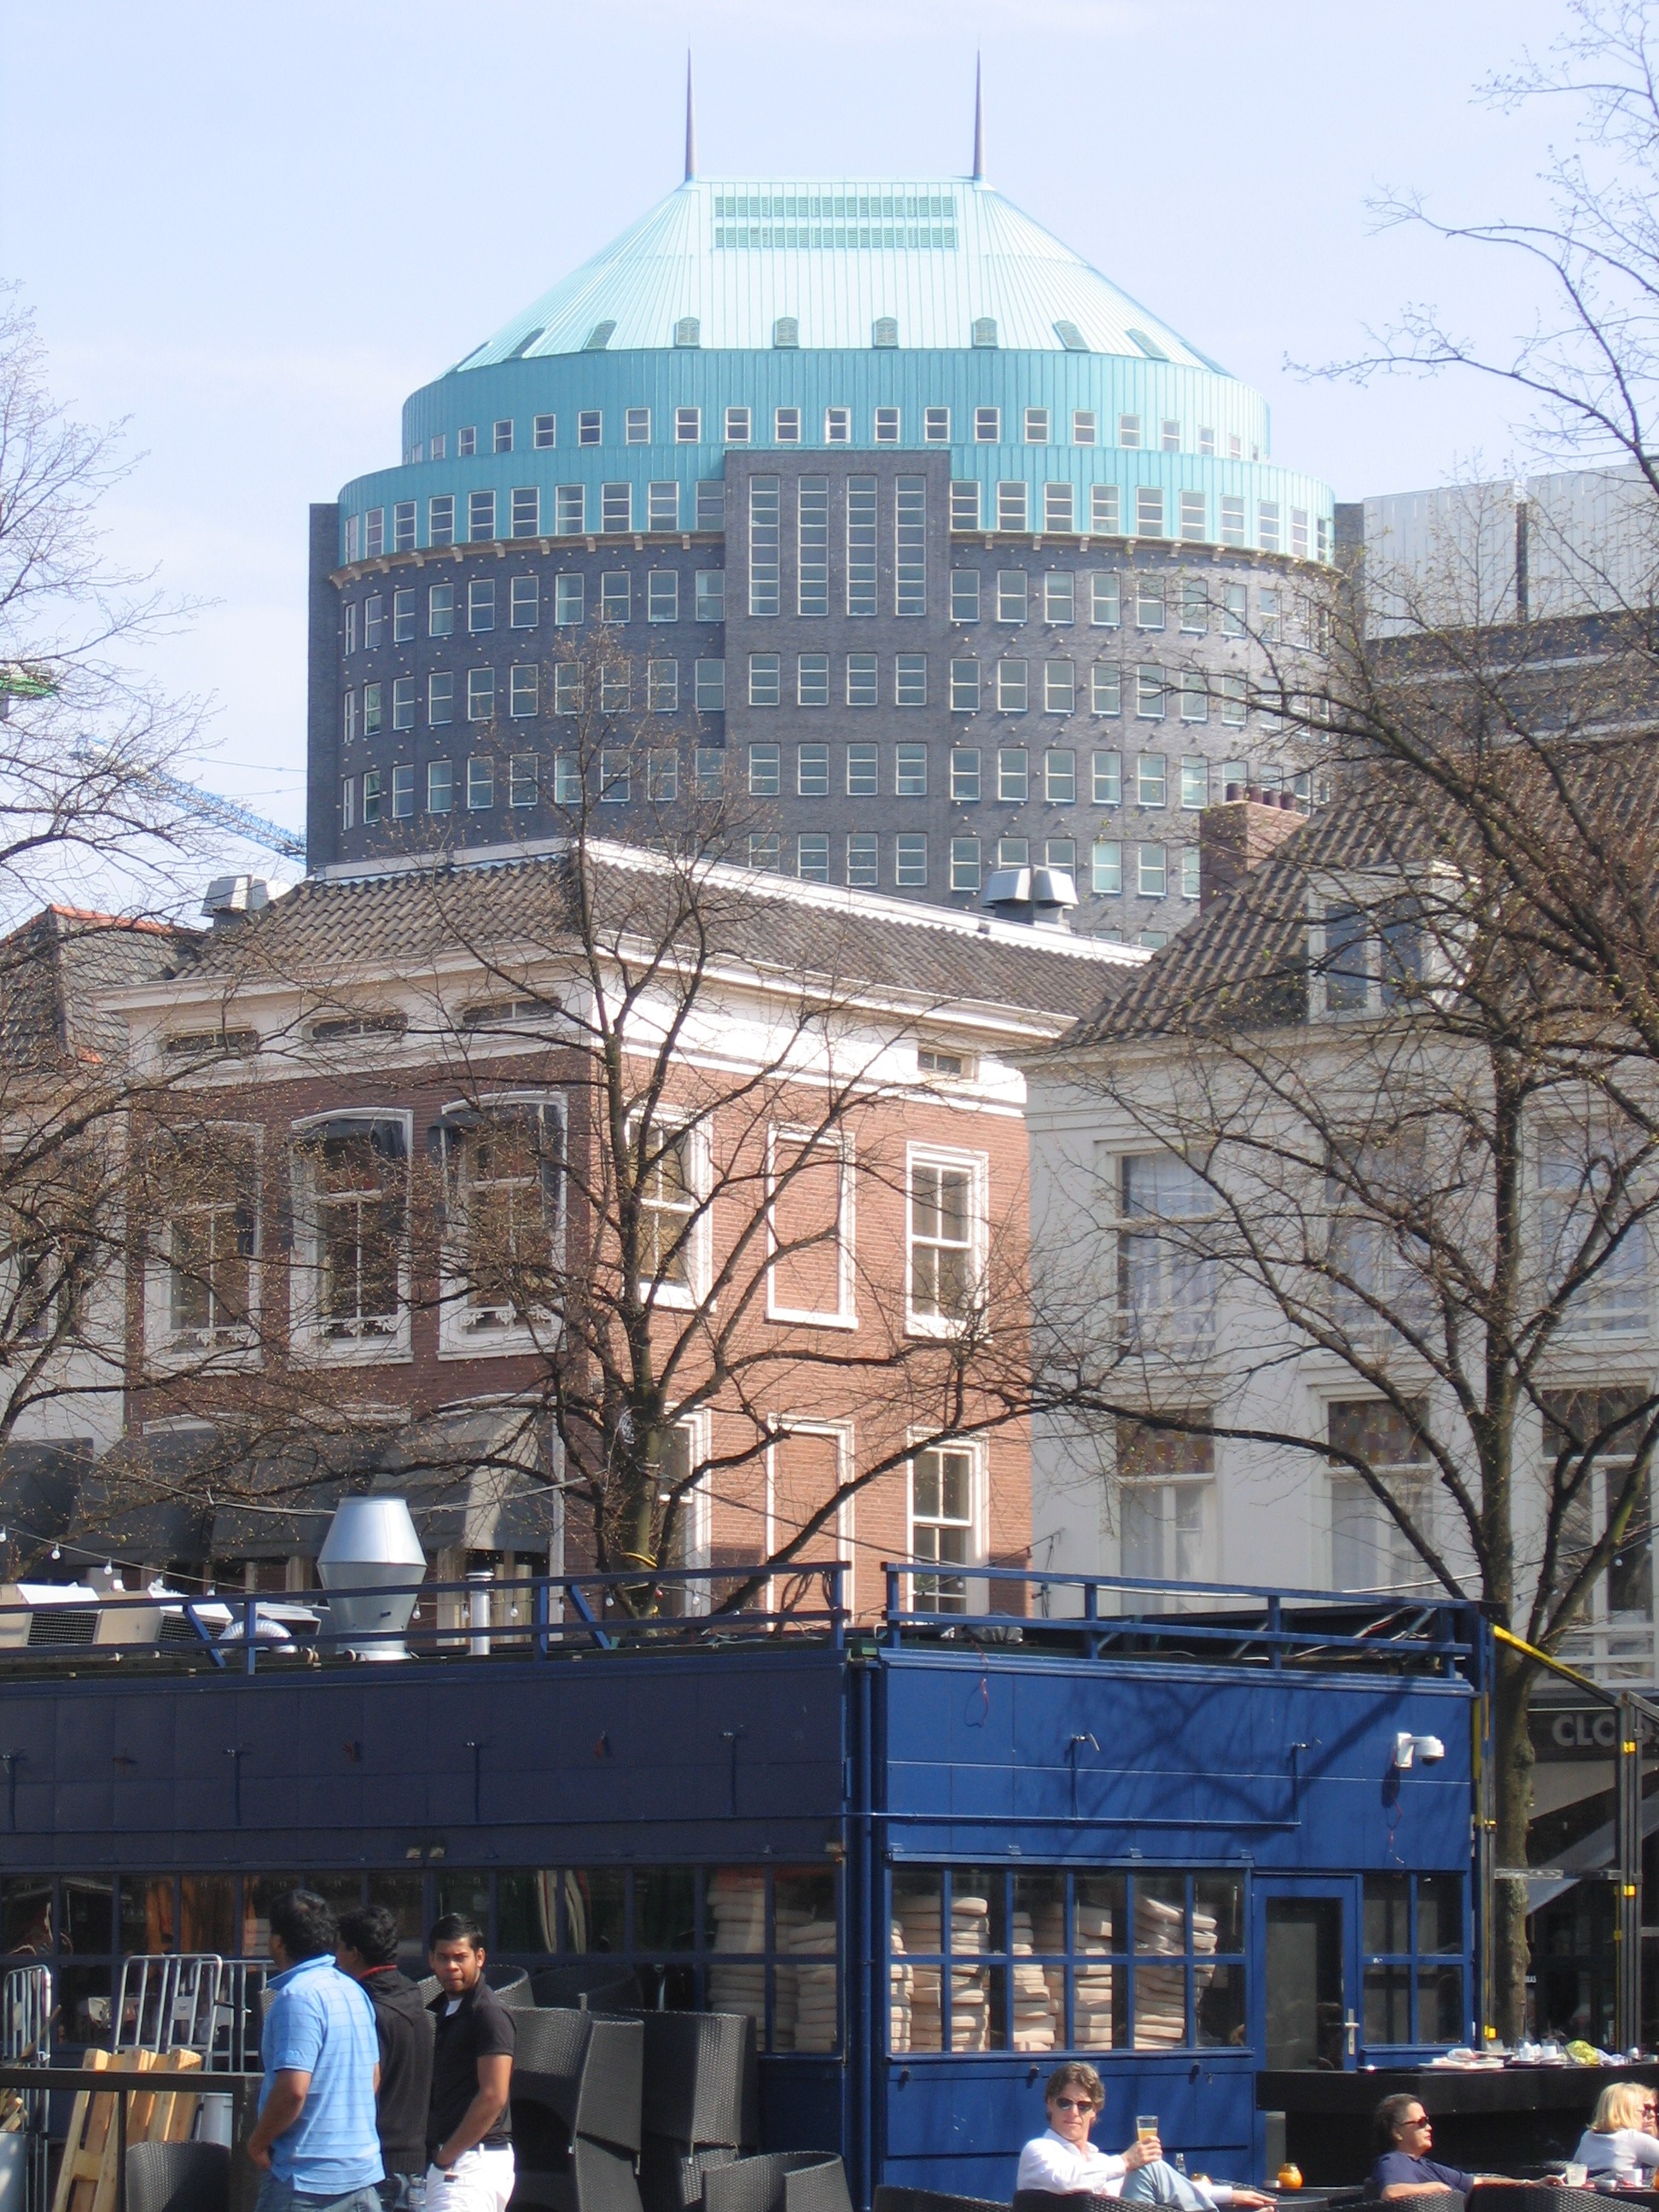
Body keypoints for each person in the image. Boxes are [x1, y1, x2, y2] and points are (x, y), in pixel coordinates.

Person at [246, 1889, 384, 2212]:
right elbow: (373, 2076)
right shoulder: (353, 1990)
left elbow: (294, 2090)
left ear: (277, 1941)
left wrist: (257, 2142)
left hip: (305, 2181)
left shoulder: (297, 1996)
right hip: (361, 2174)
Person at [1016, 2063, 1273, 2210]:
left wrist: (1228, 2195)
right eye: (1064, 2103)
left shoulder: (1098, 2161)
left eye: (1083, 2106)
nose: (1073, 2112)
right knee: (1147, 2168)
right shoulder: (1039, 2150)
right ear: (1049, 2104)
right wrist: (1126, 2161)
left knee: (1149, 2170)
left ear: (1095, 2111)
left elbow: (1169, 2188)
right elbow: (1064, 2180)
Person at [337, 1905, 434, 2212]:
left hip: (375, 2167)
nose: (335, 1958)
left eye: (339, 1948)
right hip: (415, 2162)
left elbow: (364, 2086)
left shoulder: (367, 2010)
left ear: (353, 1953)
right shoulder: (414, 2000)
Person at [424, 1913, 515, 2212]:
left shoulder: (488, 2013)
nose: (451, 1966)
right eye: (443, 1957)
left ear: (480, 1958)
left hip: (471, 2163)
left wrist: (445, 2157)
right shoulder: (450, 2010)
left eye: (460, 1957)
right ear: (431, 1960)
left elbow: (493, 2096)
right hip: (461, 2163)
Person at [1369, 2095, 1514, 2200]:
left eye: (1427, 2121)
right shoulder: (1394, 2160)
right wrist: (1437, 2188)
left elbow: (1478, 2182)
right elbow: (1391, 2193)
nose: (1429, 2128)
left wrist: (1524, 2184)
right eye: (1421, 2122)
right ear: (1397, 2132)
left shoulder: (1427, 2165)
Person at [1572, 2083, 1659, 2188]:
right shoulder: (1633, 2138)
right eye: (1643, 2112)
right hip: (1624, 2197)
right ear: (1628, 2112)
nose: (1648, 2116)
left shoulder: (1587, 2136)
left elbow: (1574, 2170)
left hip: (1585, 2196)